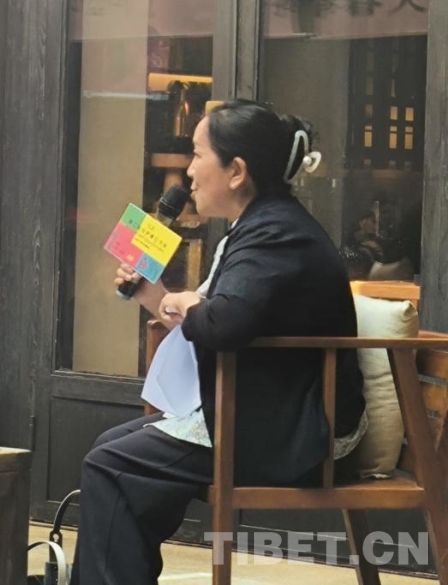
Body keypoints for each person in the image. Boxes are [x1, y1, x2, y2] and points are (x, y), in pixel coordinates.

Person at [71, 100, 366, 585]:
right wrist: (155, 297)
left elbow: (224, 324)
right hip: (269, 410)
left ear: (236, 171)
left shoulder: (276, 234)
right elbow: (216, 320)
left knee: (112, 465)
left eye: (197, 154)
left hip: (303, 431)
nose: (188, 171)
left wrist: (188, 303)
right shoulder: (260, 225)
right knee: (113, 449)